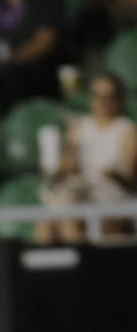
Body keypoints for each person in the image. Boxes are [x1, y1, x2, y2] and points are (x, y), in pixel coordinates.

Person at [40, 72, 137, 242]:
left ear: (118, 99)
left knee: (70, 222)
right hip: (82, 197)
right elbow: (64, 170)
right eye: (97, 96)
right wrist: (68, 166)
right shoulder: (78, 128)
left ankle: (80, 264)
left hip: (113, 203)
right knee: (46, 223)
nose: (102, 102)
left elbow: (133, 184)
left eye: (108, 97)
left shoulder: (128, 133)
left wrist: (115, 176)